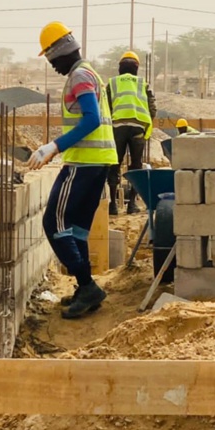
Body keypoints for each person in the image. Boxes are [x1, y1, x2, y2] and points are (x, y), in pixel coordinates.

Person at [28, 21, 118, 319]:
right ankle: (84, 288)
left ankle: (88, 286)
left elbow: (91, 119)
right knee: (77, 227)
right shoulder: (89, 72)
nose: (52, 66)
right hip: (100, 162)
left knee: (54, 223)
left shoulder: (79, 76)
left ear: (60, 50)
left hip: (83, 163)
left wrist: (54, 146)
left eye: (51, 58)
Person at [105, 51, 157, 216]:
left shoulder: (112, 83)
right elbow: (152, 108)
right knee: (136, 166)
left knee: (114, 164)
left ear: (120, 67)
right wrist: (144, 123)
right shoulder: (143, 84)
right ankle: (132, 204)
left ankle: (113, 205)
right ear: (136, 67)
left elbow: (105, 107)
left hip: (117, 128)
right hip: (138, 128)